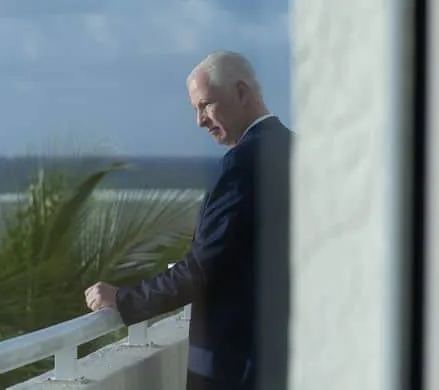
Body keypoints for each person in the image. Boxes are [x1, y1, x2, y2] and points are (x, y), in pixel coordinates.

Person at [85, 51, 292, 390]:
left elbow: (202, 269)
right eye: (195, 109)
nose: (199, 120)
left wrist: (123, 299)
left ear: (242, 93)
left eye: (206, 105)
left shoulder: (240, 165)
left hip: (237, 369)